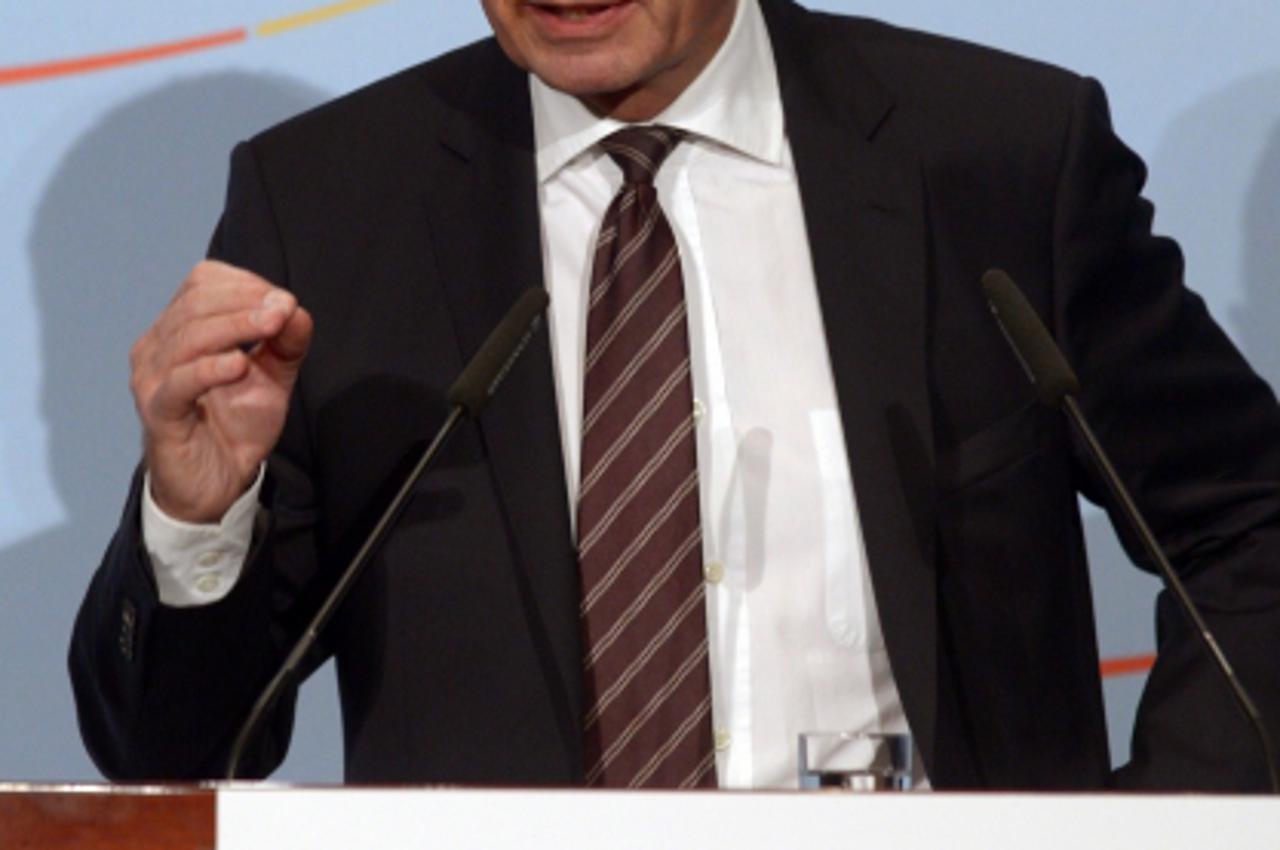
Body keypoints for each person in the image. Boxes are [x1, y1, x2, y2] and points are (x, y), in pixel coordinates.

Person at [70, 0, 1280, 790]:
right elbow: (175, 754)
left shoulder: (994, 151)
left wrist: (1168, 819)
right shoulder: (333, 201)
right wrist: (193, 521)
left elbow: (1248, 527)